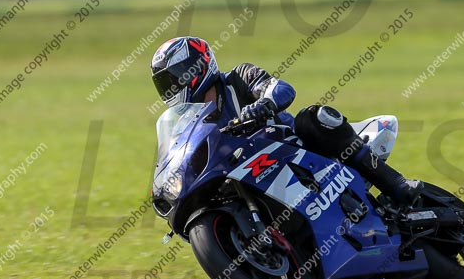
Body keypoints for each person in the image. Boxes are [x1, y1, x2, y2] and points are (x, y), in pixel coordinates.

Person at [150, 36, 421, 207]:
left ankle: (397, 185)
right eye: (164, 83)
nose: (171, 87)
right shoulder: (191, 122)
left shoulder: (238, 78)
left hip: (293, 148)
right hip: (250, 173)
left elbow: (280, 88)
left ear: (198, 66)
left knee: (312, 117)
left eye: (175, 77)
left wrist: (263, 105)